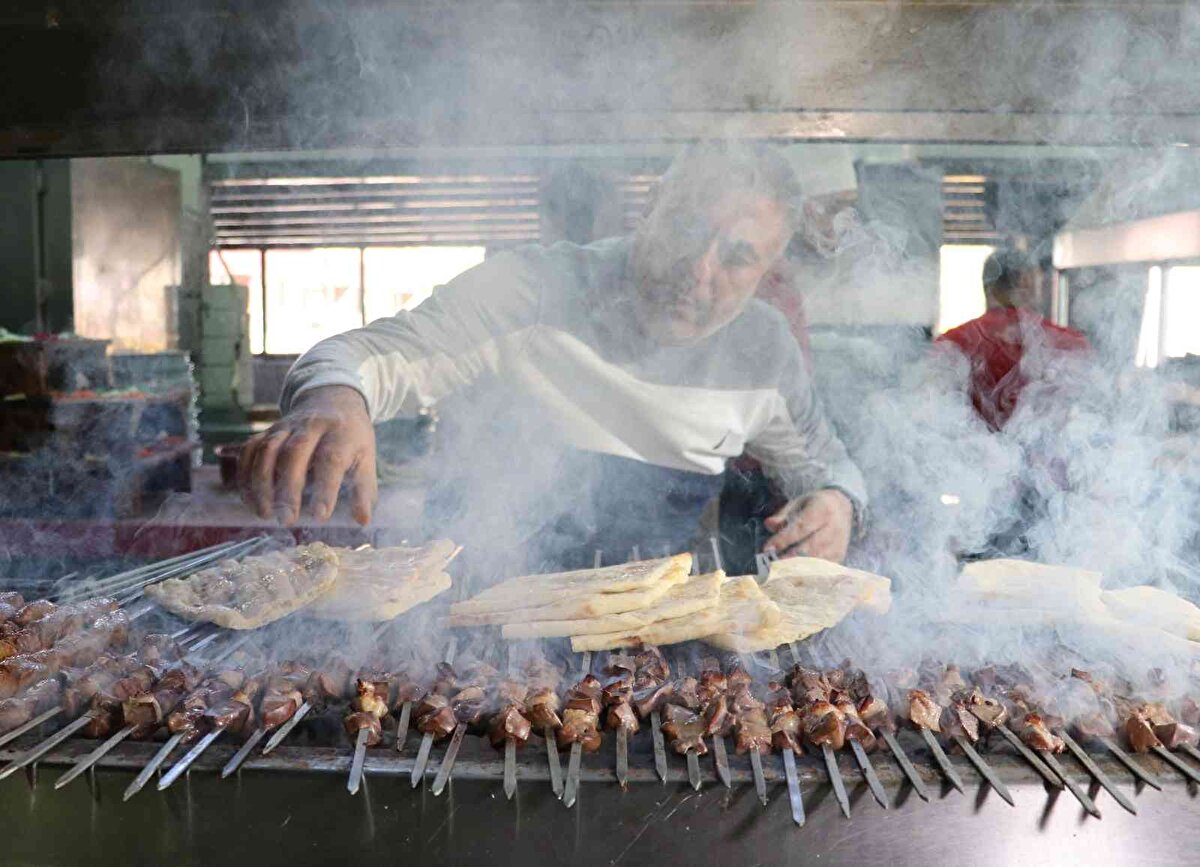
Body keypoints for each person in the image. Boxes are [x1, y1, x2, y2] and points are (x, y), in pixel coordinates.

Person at [238, 142, 867, 573]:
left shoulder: (762, 351)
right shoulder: (532, 288)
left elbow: (825, 464)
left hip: (643, 637)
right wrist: (334, 399)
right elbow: (368, 355)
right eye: (685, 231)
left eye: (737, 257)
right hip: (479, 621)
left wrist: (838, 503)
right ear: (650, 209)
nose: (698, 272)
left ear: (766, 270)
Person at [936, 247, 1091, 432]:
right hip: (1047, 459)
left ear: (986, 286)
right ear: (1027, 282)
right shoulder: (1068, 344)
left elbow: (934, 412)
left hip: (968, 457)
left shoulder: (951, 345)